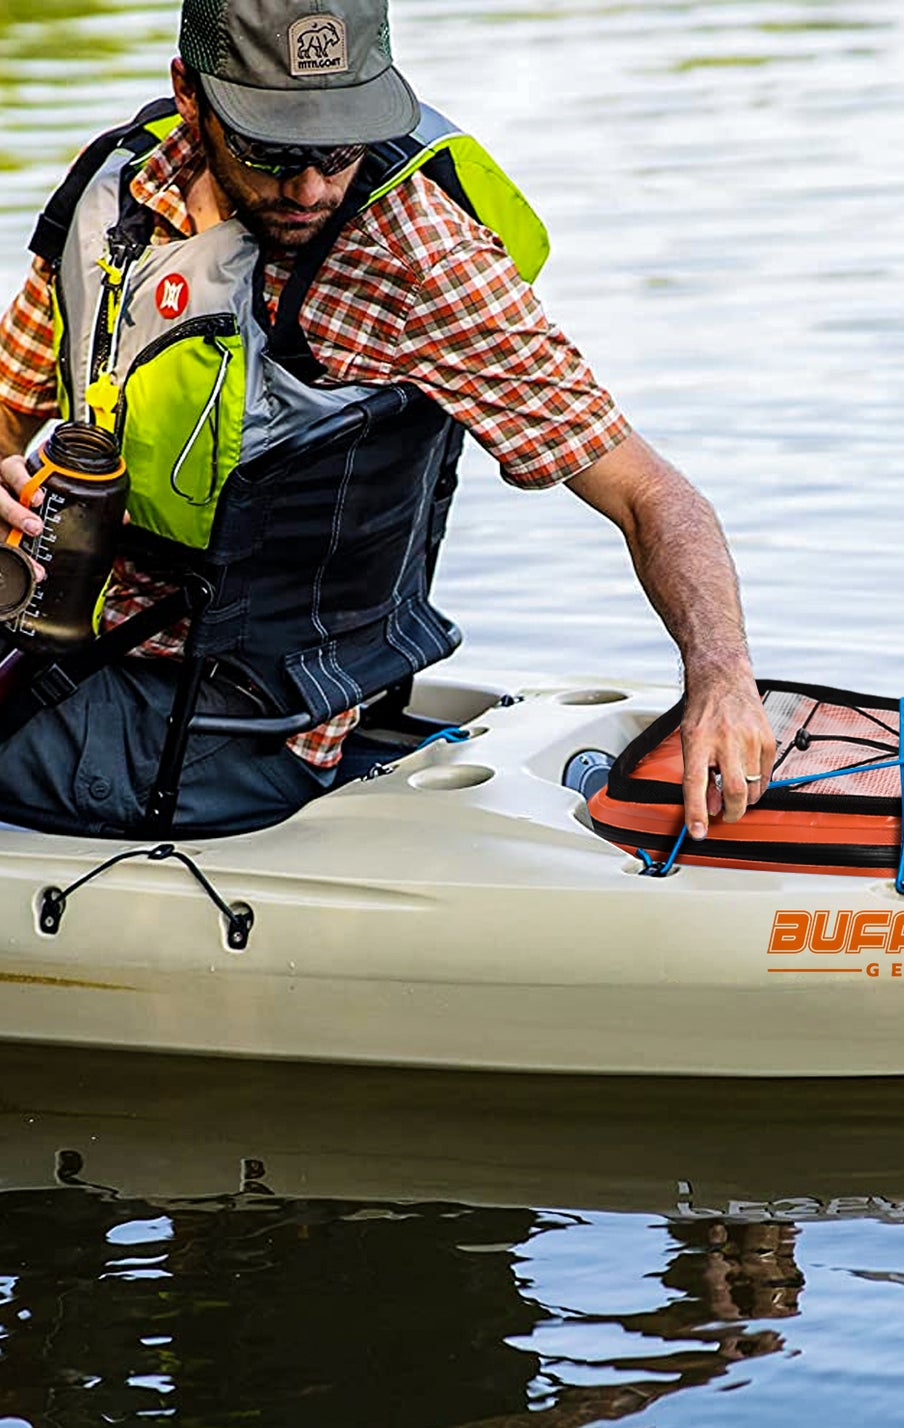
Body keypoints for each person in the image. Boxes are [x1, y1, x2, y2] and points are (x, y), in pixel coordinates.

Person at [0, 0, 774, 839]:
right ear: (191, 94)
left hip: (227, 732)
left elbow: (648, 494)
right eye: (274, 149)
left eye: (339, 147)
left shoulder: (421, 262)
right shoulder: (119, 194)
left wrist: (723, 677)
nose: (311, 189)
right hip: (81, 648)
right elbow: (8, 409)